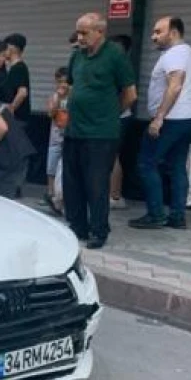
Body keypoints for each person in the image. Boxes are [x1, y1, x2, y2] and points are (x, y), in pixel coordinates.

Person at [64, 13, 137, 249]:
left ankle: (98, 230)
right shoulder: (77, 56)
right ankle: (77, 226)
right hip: (74, 129)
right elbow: (71, 87)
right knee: (72, 182)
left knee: (96, 183)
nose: (80, 37)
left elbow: (130, 94)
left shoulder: (115, 55)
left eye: (85, 33)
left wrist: (109, 115)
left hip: (101, 133)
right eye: (78, 32)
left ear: (100, 32)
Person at [130, 16, 191, 230]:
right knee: (177, 166)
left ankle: (156, 214)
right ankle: (177, 216)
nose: (153, 37)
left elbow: (175, 86)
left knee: (146, 163)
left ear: (173, 32)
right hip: (189, 119)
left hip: (171, 120)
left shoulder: (175, 54)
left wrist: (159, 117)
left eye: (158, 32)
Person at [108, 33, 135, 209]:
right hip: (114, 117)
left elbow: (130, 96)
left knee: (113, 156)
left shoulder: (122, 68)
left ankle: (115, 196)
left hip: (118, 118)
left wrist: (115, 113)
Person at [43, 67, 71, 213]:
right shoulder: (55, 97)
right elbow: (50, 113)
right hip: (55, 138)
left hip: (68, 138)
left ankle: (62, 198)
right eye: (59, 82)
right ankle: (51, 194)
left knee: (65, 169)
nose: (63, 85)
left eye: (66, 82)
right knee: (51, 167)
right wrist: (58, 100)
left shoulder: (73, 98)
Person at [2, 34, 31, 124]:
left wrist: (12, 108)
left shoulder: (18, 68)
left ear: (11, 49)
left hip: (18, 118)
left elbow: (22, 92)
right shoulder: (14, 68)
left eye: (5, 48)